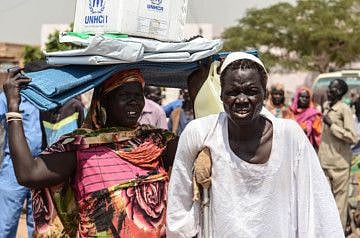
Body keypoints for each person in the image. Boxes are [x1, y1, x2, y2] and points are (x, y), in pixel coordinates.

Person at [166, 52, 343, 237]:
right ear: (221, 95)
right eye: (233, 92)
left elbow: (318, 206)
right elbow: (180, 203)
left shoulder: (289, 136)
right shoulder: (200, 133)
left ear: (265, 94)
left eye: (251, 92)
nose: (242, 100)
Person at [3, 68, 177, 237]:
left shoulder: (156, 142)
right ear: (104, 101)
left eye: (138, 96)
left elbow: (195, 150)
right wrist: (13, 107)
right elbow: (29, 174)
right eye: (124, 96)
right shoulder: (81, 146)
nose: (134, 101)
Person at [0, 92, 42, 238]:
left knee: (38, 224)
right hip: (12, 167)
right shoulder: (8, 96)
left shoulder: (46, 95)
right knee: (5, 223)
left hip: (41, 167)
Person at [318, 79, 358, 229]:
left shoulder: (344, 109)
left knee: (339, 204)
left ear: (340, 92)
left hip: (340, 164)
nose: (329, 91)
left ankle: (338, 232)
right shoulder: (329, 107)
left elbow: (353, 137)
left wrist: (332, 125)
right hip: (325, 163)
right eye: (329, 88)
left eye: (332, 89)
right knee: (326, 203)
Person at [285, 86, 322, 151]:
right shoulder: (290, 112)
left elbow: (318, 132)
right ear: (297, 97)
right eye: (302, 96)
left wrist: (307, 127)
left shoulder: (314, 114)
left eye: (307, 97)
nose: (304, 99)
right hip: (290, 146)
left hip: (306, 147)